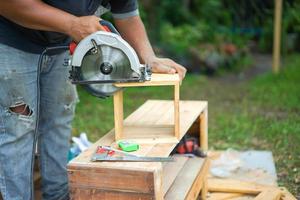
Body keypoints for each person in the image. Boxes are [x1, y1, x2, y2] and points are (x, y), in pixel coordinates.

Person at [0, 1, 186, 199]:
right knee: (19, 127)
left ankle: (59, 196)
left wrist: (148, 57)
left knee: (58, 120)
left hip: (59, 42)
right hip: (13, 39)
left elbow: (127, 15)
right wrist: (72, 24)